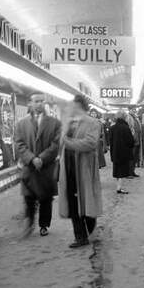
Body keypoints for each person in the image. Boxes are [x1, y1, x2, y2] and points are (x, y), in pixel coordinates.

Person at [59, 95, 103, 248]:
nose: (70, 107)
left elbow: (91, 143)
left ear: (79, 105)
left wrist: (69, 143)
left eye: (73, 105)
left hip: (84, 169)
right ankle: (80, 237)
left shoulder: (93, 123)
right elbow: (60, 144)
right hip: (69, 169)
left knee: (86, 202)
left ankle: (92, 233)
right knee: (72, 205)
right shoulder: (68, 123)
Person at [14, 93, 62, 237]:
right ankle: (29, 222)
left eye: (42, 101)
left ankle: (44, 225)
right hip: (30, 168)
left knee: (46, 199)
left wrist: (41, 158)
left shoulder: (55, 123)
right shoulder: (21, 124)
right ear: (30, 103)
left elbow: (56, 143)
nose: (39, 104)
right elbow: (19, 143)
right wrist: (31, 158)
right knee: (29, 197)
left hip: (46, 167)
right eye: (36, 101)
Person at [109, 110, 135, 194]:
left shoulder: (112, 128)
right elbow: (131, 142)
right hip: (124, 154)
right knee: (121, 171)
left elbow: (110, 141)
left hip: (115, 153)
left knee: (117, 170)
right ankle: (119, 188)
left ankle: (118, 186)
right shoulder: (126, 128)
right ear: (124, 117)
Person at [127, 110, 141, 178]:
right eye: (132, 110)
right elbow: (129, 129)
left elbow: (138, 130)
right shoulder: (128, 118)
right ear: (129, 110)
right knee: (130, 158)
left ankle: (132, 172)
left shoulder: (136, 119)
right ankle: (129, 173)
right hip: (132, 142)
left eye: (134, 110)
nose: (134, 111)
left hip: (137, 141)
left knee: (135, 158)